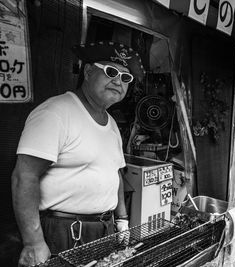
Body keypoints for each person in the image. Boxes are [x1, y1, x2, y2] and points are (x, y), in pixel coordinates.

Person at [11, 41, 145, 266]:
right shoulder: (55, 112)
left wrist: (121, 220)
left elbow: (115, 174)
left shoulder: (111, 124)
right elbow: (24, 177)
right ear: (89, 71)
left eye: (125, 77)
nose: (118, 81)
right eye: (111, 71)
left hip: (104, 229)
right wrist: (33, 242)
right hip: (63, 231)